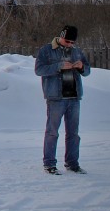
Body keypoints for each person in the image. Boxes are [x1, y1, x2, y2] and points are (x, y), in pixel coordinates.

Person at [34, 25, 91, 174]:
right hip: (56, 97)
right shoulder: (47, 51)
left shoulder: (77, 52)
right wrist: (58, 66)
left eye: (72, 42)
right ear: (61, 37)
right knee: (52, 132)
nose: (70, 45)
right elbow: (39, 70)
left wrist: (82, 67)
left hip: (74, 97)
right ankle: (49, 164)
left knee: (73, 133)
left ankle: (72, 164)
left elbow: (88, 71)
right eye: (67, 41)